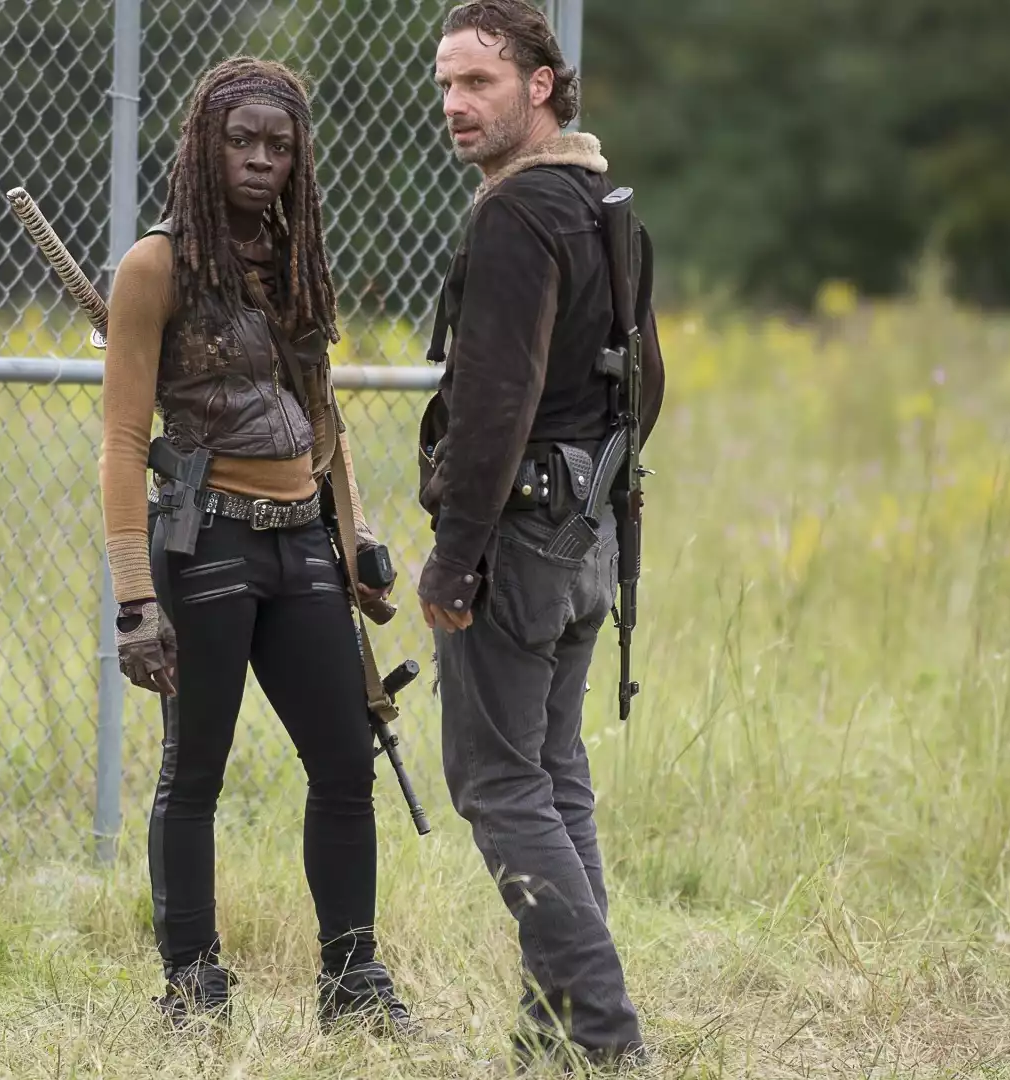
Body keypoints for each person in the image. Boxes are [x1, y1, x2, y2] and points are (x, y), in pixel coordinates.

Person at [97, 56, 416, 1035]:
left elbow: (324, 418)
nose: (262, 159)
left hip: (302, 544)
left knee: (346, 761)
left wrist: (355, 536)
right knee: (194, 772)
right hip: (208, 545)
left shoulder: (295, 258)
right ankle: (192, 990)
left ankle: (353, 986)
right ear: (206, 145)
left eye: (279, 145)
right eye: (243, 140)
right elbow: (121, 441)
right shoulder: (156, 266)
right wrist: (135, 600)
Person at [416, 0, 666, 1068]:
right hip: (584, 533)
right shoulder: (603, 202)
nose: (455, 104)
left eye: (477, 81)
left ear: (541, 85)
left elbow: (493, 401)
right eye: (445, 84)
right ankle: (557, 1034)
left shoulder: (516, 215)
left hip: (518, 541)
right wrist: (590, 488)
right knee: (553, 778)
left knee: (501, 785)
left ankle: (600, 1037)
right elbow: (648, 381)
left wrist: (454, 556)